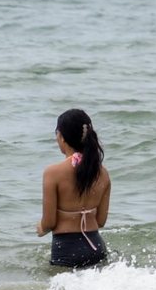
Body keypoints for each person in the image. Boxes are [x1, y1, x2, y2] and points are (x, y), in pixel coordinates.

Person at [37, 108, 112, 268]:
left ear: (62, 137)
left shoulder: (52, 173)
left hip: (66, 249)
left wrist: (41, 228)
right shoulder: (103, 173)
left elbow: (50, 222)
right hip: (95, 246)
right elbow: (100, 221)